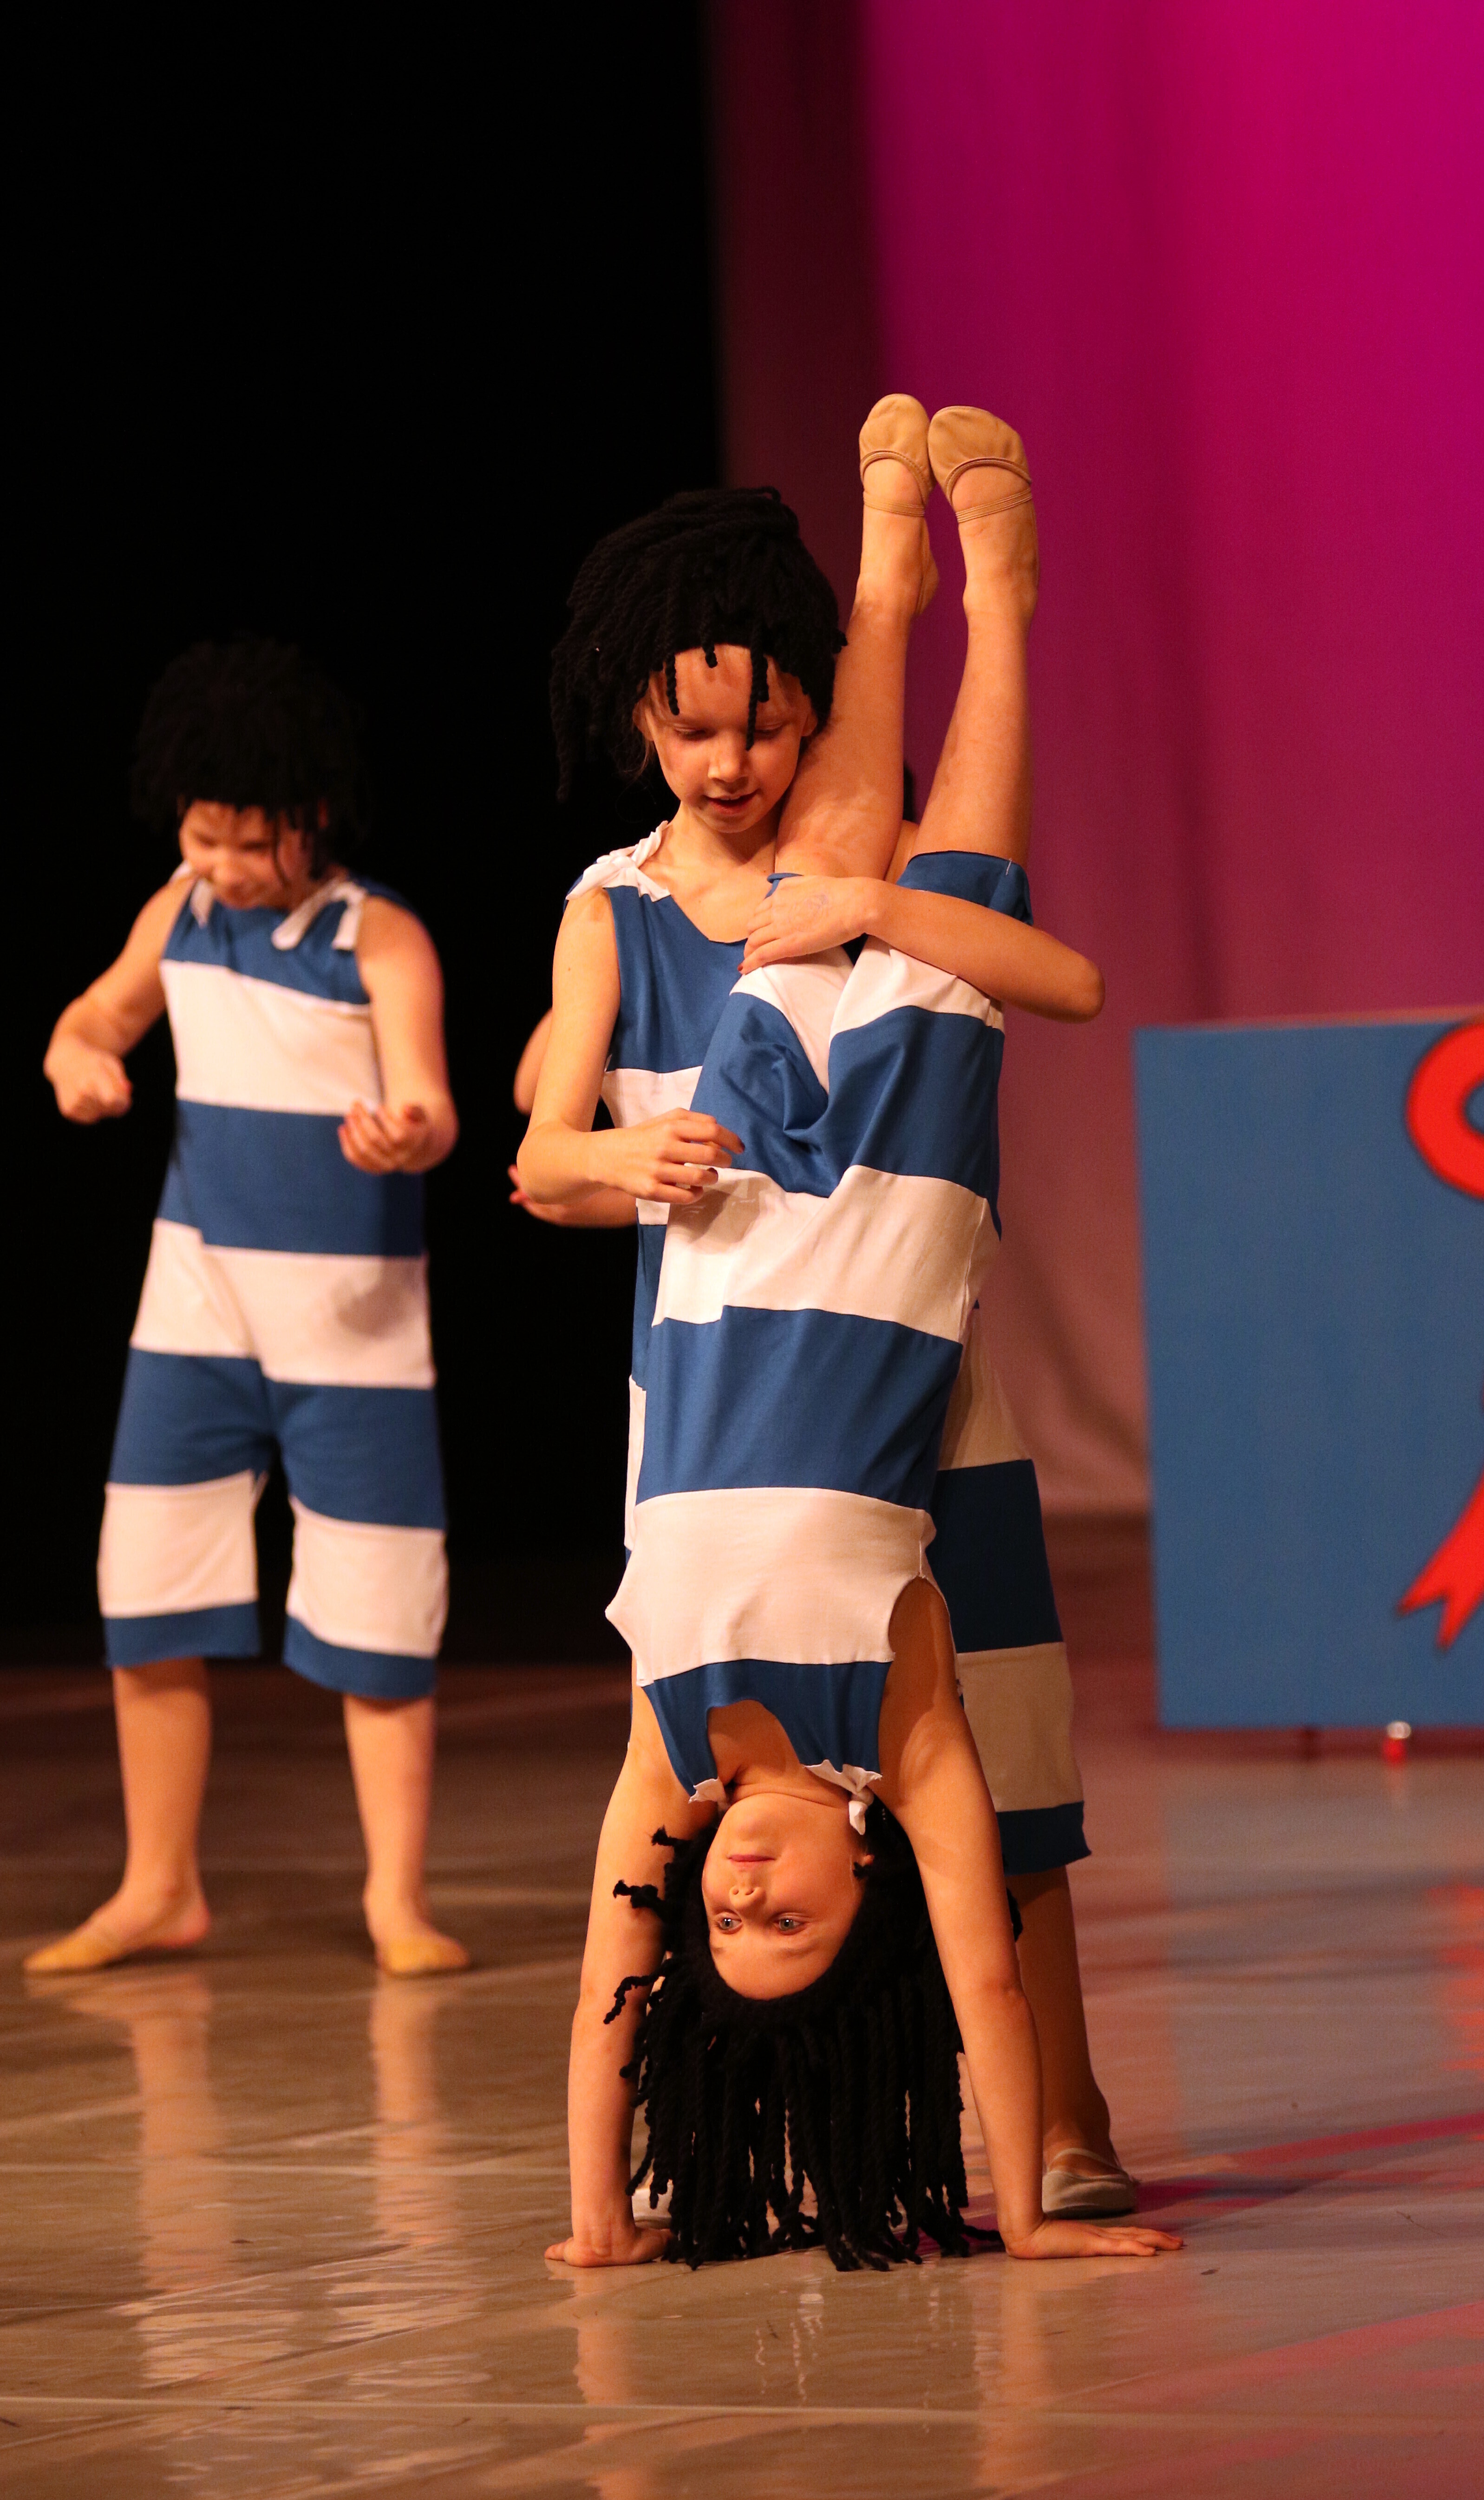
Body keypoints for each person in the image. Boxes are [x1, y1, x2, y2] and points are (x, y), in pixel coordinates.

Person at [523, 402, 1180, 2268]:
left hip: (873, 1355)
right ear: (643, 726)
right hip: (748, 1345)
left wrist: (597, 2218)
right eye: (695, 732)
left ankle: (1065, 2111)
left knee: (1011, 1739)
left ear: (812, 714)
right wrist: (612, 1153)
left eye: (769, 725)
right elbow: (541, 1151)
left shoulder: (829, 847)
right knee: (938, 1762)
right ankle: (982, 591)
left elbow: (933, 917)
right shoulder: (617, 909)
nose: (732, 762)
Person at [30, 639, 466, 1979]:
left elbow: (431, 1101)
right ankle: (159, 1884)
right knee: (148, 1584)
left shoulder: (375, 933)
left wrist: (407, 1132)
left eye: (245, 839)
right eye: (200, 835)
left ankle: (396, 1899)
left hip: (353, 1323)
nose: (218, 862)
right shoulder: (176, 913)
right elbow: (89, 1023)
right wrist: (78, 1065)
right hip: (197, 1309)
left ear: (312, 816)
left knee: (381, 1604)